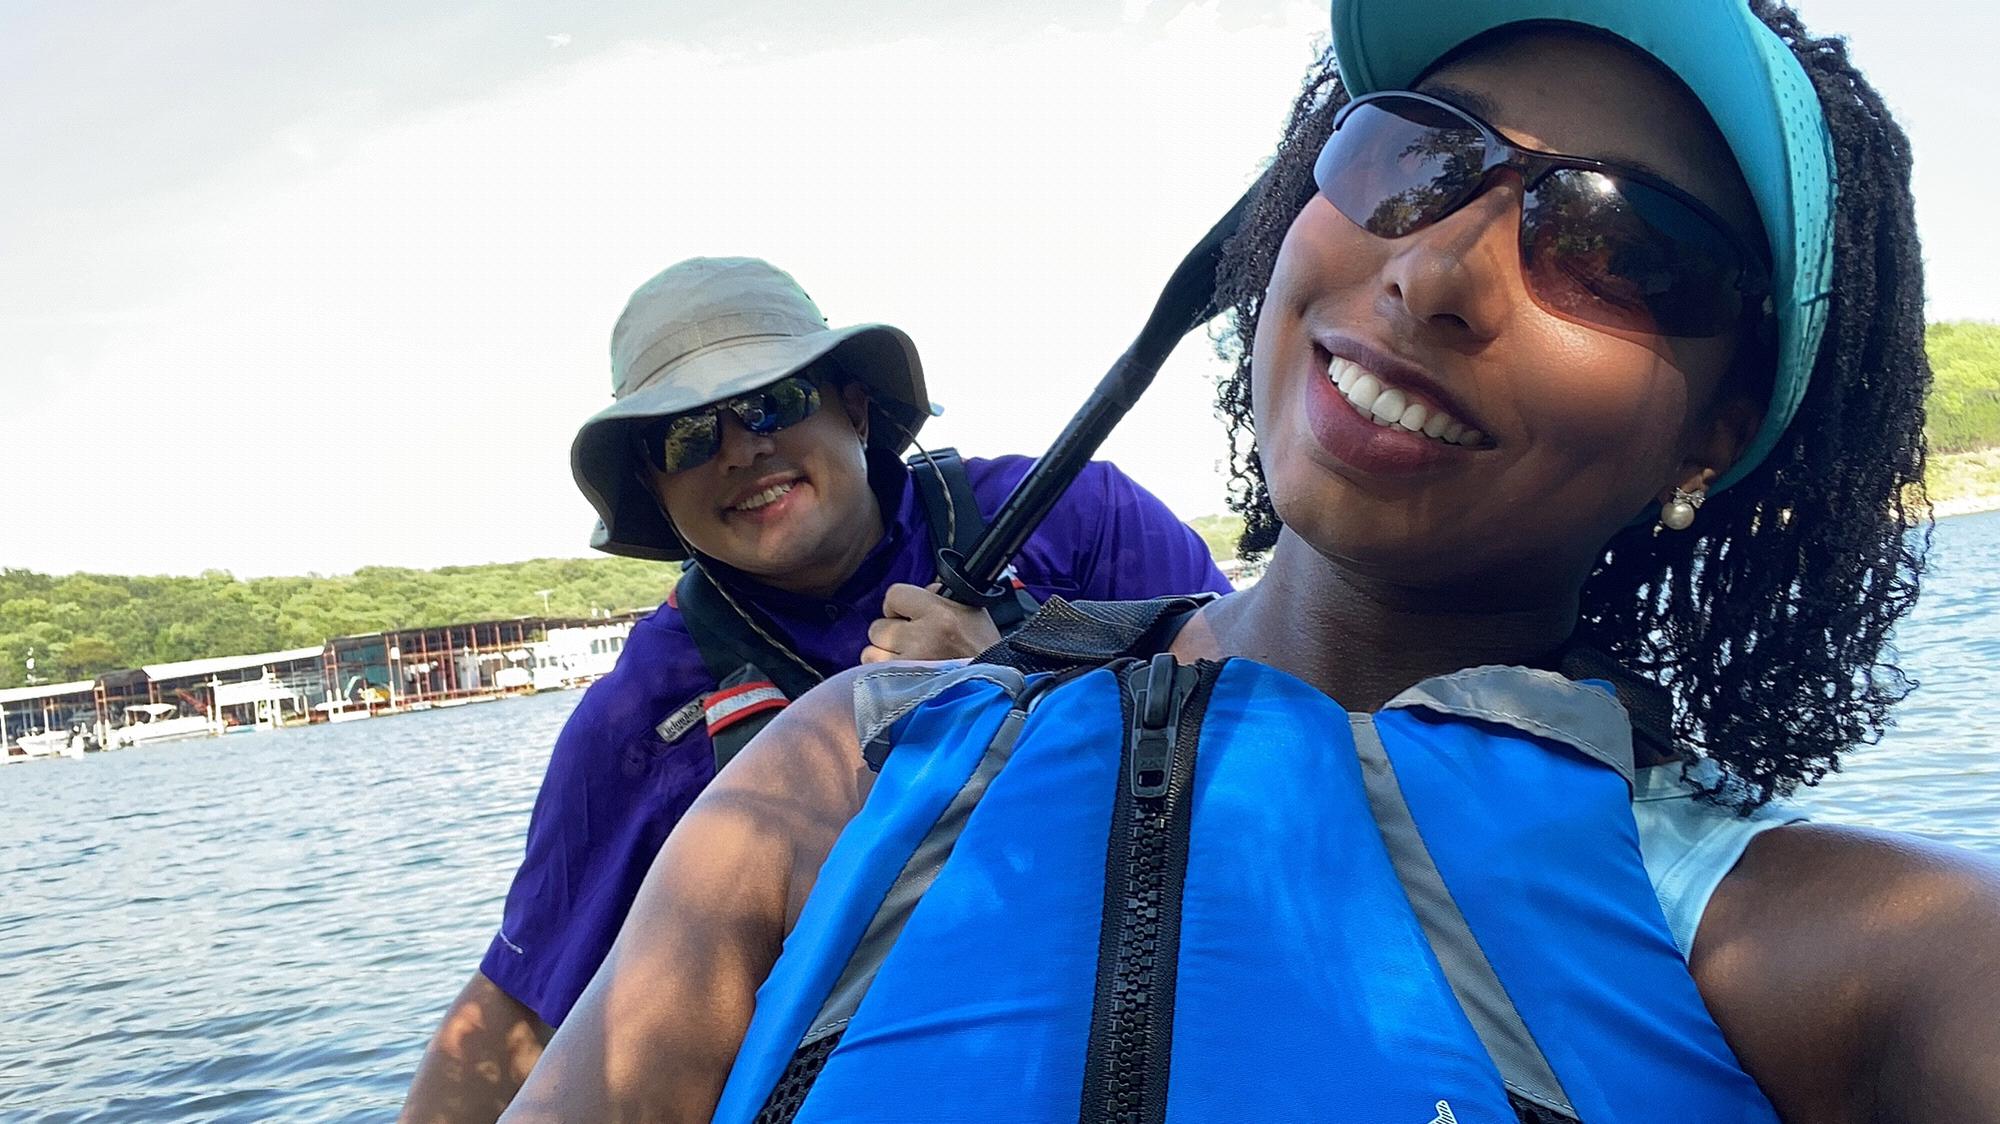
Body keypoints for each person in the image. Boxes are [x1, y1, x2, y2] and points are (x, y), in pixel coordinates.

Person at [494, 0, 2000, 1120]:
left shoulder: (1841, 956)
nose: (1433, 271)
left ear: (1715, 437)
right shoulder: (839, 768)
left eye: (1609, 245)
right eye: (1417, 153)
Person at [398, 257, 1231, 1122]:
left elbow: (1279, 720)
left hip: (1178, 1007)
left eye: (773, 401)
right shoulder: (639, 717)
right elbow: (520, 1007)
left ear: (855, 407)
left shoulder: (1078, 518)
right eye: (686, 437)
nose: (742, 449)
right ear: (654, 486)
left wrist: (1027, 675)